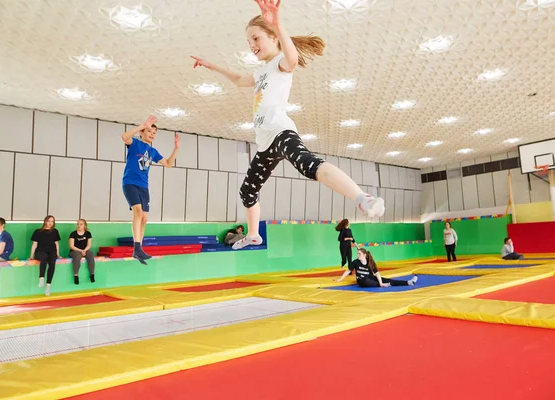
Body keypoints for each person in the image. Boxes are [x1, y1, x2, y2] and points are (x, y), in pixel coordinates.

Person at [191, 0, 385, 251]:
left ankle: (363, 199)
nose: (252, 46)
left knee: (308, 165)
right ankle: (253, 235)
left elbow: (292, 59)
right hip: (265, 145)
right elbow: (239, 79)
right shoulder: (261, 71)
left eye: (256, 39)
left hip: (281, 132)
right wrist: (211, 65)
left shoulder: (280, 64)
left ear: (273, 38)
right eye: (249, 42)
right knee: (247, 191)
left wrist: (278, 23)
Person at [121, 115, 180, 264]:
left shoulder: (153, 152)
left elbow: (168, 164)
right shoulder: (135, 143)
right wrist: (142, 125)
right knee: (138, 212)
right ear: (142, 133)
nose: (152, 134)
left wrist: (176, 149)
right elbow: (124, 137)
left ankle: (138, 250)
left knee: (145, 218)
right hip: (130, 183)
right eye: (149, 131)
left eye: (154, 133)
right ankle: (137, 247)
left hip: (144, 187)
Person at [335, 247, 418, 288]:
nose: (357, 255)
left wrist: (381, 282)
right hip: (362, 281)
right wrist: (340, 279)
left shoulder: (370, 262)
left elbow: (377, 273)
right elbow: (348, 271)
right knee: (365, 280)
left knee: (388, 280)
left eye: (359, 254)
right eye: (357, 254)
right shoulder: (355, 262)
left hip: (372, 278)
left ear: (364, 255)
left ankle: (408, 282)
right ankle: (383, 284)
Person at [29, 215, 61, 296]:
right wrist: (31, 256)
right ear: (45, 221)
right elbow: (34, 245)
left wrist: (58, 254)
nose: (50, 223)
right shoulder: (38, 231)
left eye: (52, 221)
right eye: (49, 221)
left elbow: (56, 244)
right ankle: (41, 278)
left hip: (51, 251)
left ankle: (48, 285)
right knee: (44, 258)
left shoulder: (55, 231)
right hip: (41, 251)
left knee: (52, 263)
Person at [69, 219, 96, 284]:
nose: (79, 225)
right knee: (78, 256)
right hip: (75, 251)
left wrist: (84, 250)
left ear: (84, 225)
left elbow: (89, 245)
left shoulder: (88, 234)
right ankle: (76, 276)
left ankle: (92, 274)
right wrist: (81, 251)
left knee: (91, 254)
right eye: (78, 224)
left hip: (85, 250)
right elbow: (71, 246)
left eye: (81, 224)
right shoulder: (73, 234)